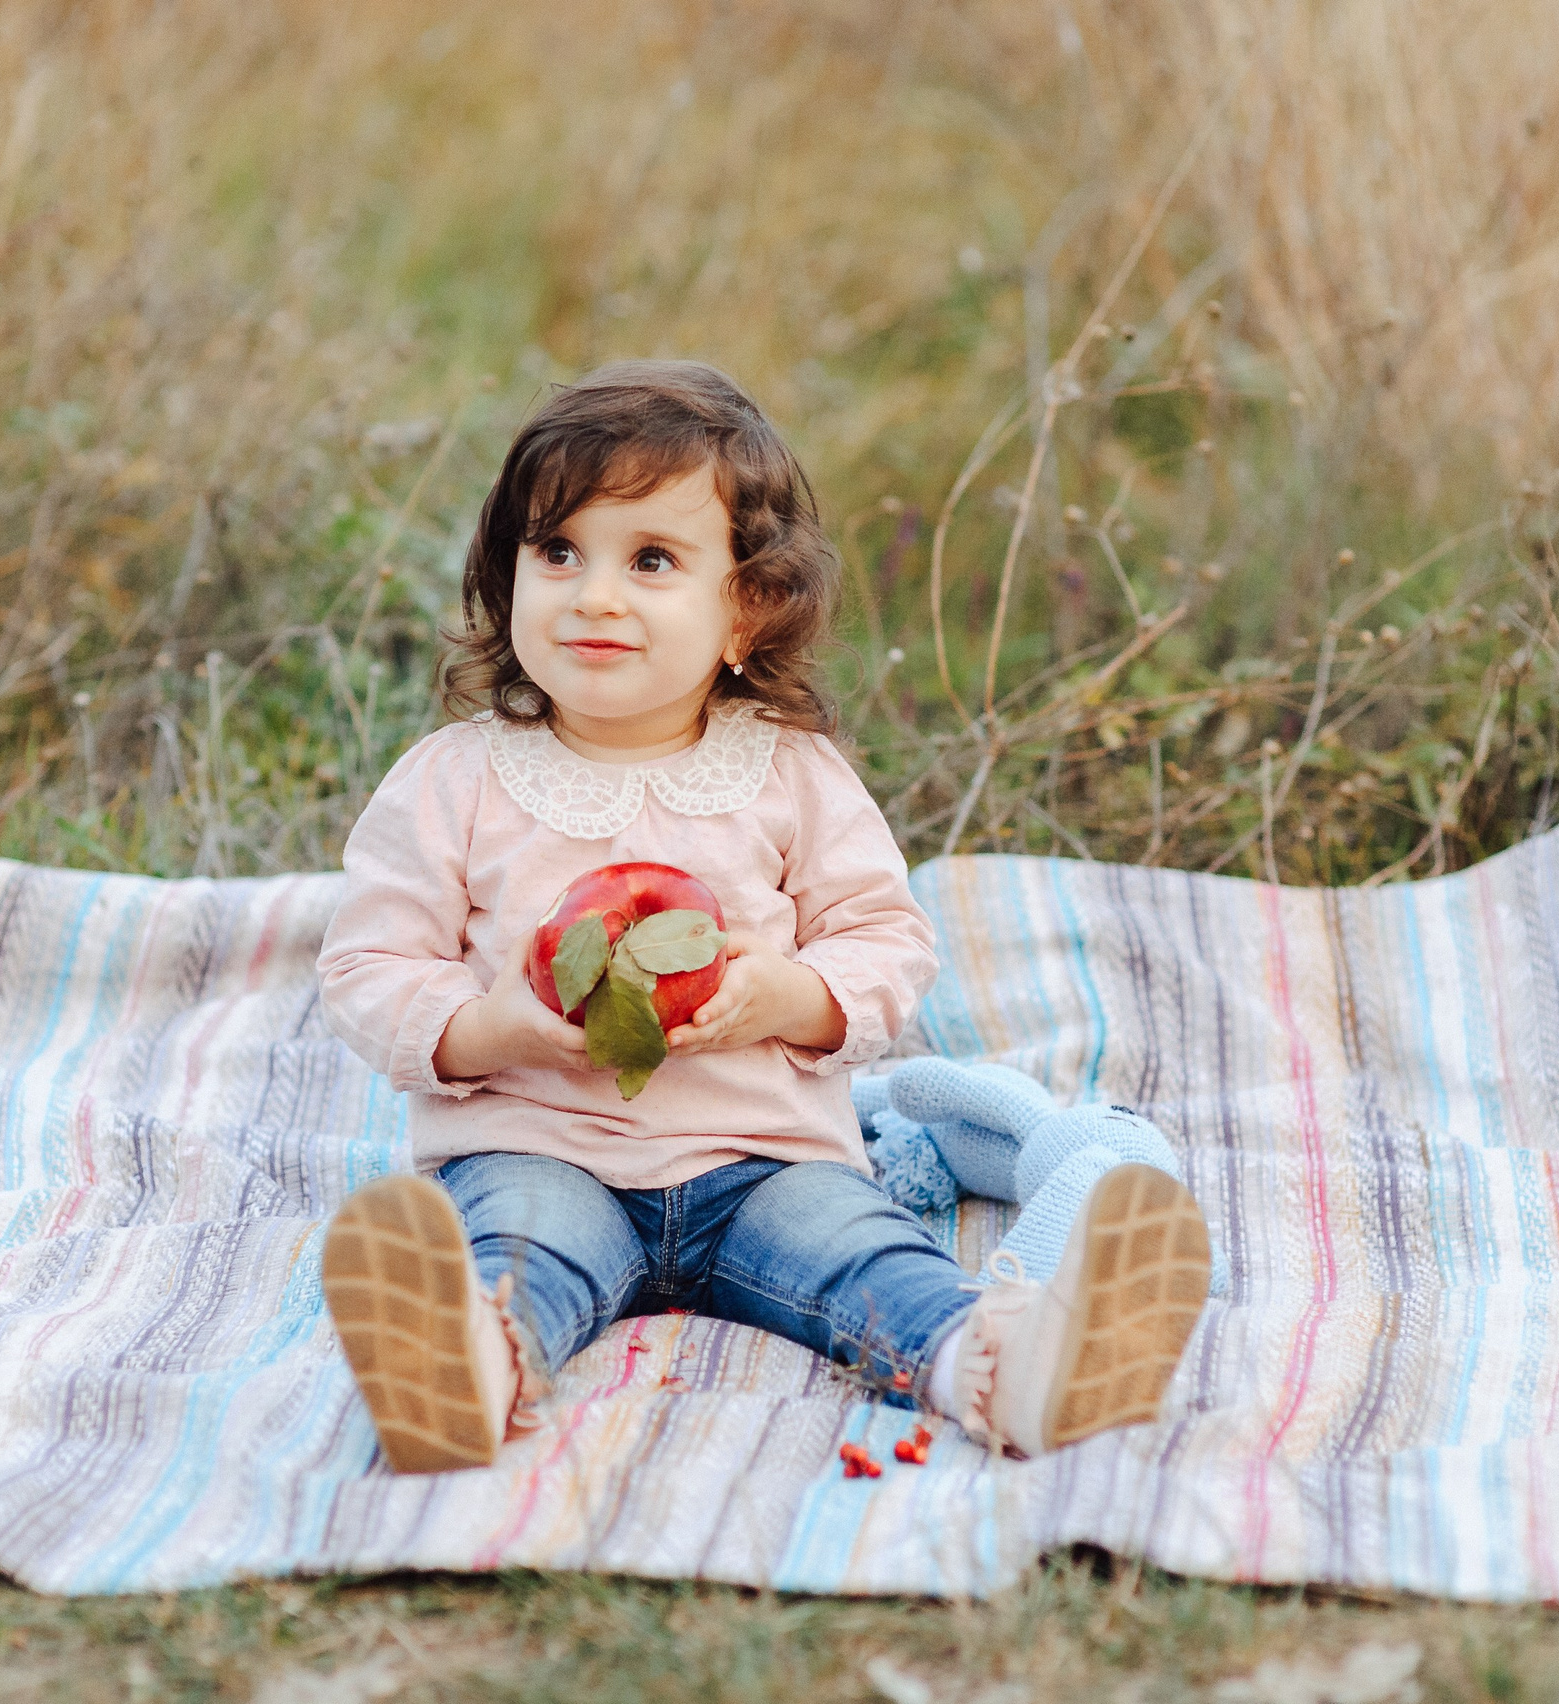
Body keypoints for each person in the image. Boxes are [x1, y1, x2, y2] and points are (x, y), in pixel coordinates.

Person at [313, 360, 1211, 1473]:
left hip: (765, 1162)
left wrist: (783, 996)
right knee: (514, 1255)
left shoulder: (789, 775)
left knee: (867, 1259)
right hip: (539, 1146)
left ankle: (1009, 1367)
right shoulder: (454, 779)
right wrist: (490, 1027)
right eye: (557, 553)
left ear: (745, 608)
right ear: (508, 580)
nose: (593, 594)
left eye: (650, 560)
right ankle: (464, 1371)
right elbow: (367, 964)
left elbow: (884, 941)